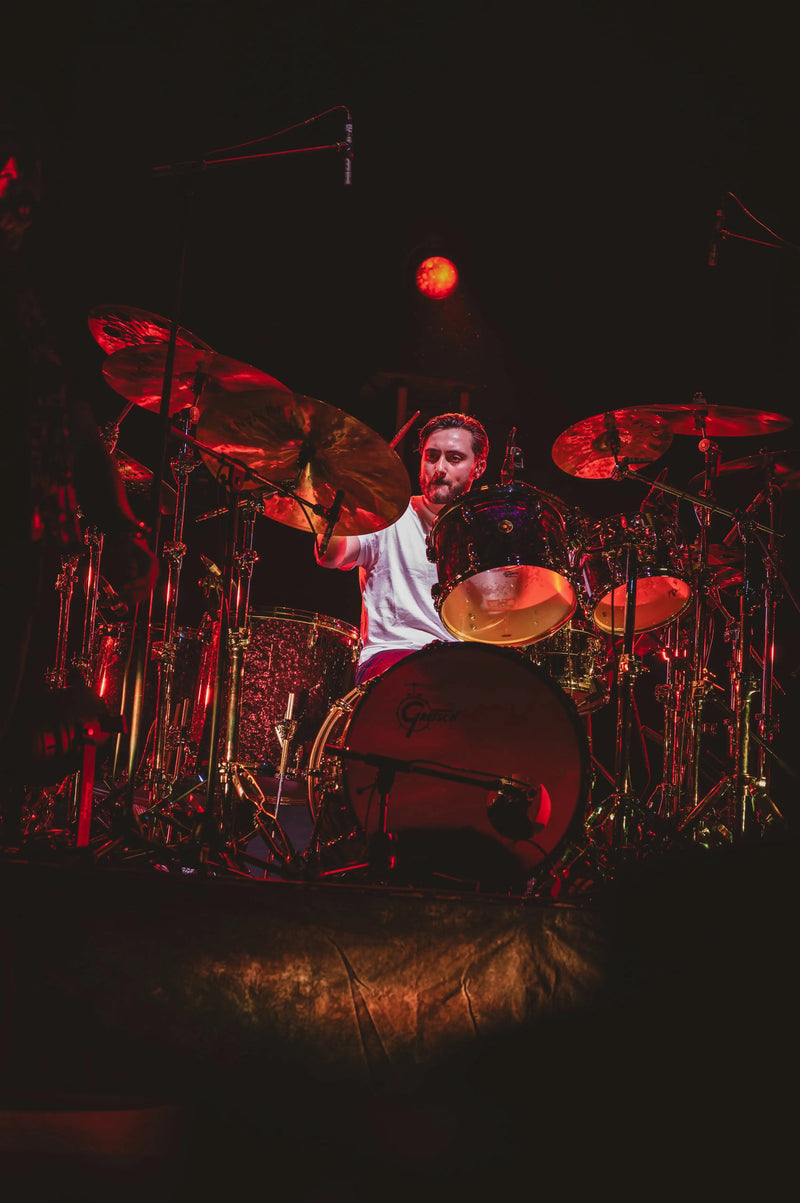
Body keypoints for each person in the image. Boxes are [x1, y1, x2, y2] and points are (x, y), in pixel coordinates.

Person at [0, 124, 159, 829]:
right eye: (10, 175)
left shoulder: (28, 295)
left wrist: (119, 526)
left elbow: (70, 415)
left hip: (22, 530)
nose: (20, 192)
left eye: (29, 181)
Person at [315, 412, 489, 683]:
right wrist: (339, 494)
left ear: (478, 468)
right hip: (392, 659)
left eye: (454, 458)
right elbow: (330, 556)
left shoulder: (488, 534)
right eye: (431, 457)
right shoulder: (387, 514)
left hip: (462, 665)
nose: (439, 467)